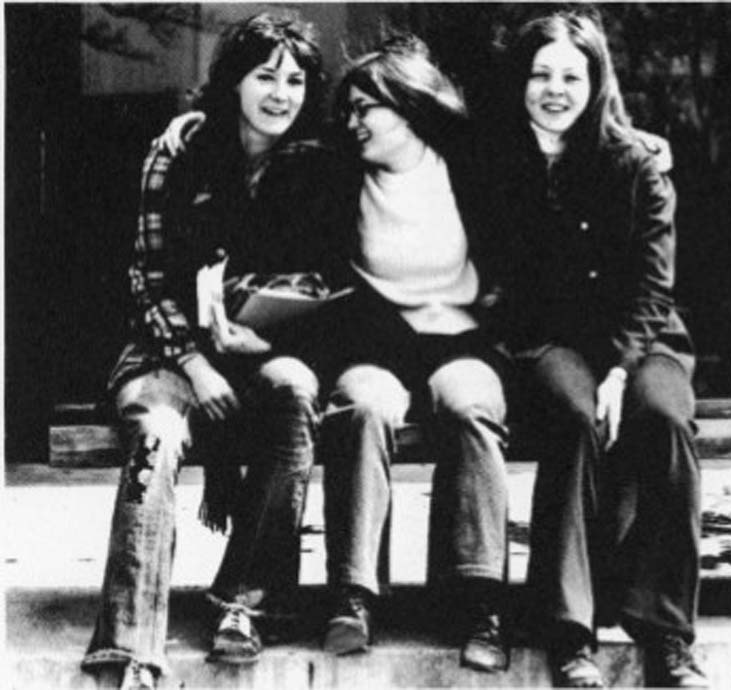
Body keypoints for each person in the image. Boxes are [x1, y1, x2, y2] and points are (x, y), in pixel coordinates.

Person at [81, 13, 338, 690]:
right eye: (265, 76)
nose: (281, 93)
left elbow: (318, 279)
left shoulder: (314, 166)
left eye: (295, 80)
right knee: (159, 433)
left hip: (252, 351)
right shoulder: (182, 150)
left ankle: (243, 604)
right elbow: (146, 277)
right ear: (234, 82)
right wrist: (195, 362)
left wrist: (265, 331)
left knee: (296, 390)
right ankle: (130, 646)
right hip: (166, 356)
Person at [495, 10, 708, 689]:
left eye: (570, 76)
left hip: (643, 339)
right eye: (540, 74)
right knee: (574, 415)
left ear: (595, 82)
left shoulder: (636, 164)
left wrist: (621, 366)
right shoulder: (494, 159)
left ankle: (667, 633)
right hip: (551, 340)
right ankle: (568, 631)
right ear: (521, 81)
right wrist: (199, 121)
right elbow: (403, 115)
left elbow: (654, 285)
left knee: (665, 418)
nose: (554, 90)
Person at [313, 35, 511, 674]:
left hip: (461, 339)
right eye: (349, 109)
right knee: (364, 404)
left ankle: (478, 599)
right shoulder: (338, 178)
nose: (354, 122)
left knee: (471, 405)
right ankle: (355, 594)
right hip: (376, 342)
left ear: (409, 108)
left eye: (368, 108)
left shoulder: (475, 169)